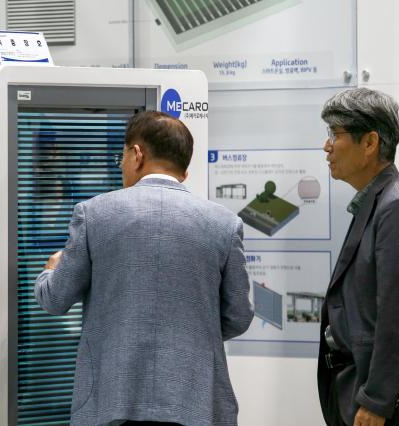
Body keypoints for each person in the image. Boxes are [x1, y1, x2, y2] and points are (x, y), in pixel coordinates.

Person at [35, 111, 253, 425]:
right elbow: (239, 316)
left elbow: (55, 300)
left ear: (137, 154)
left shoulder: (94, 214)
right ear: (184, 172)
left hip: (111, 404)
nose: (120, 165)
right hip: (194, 405)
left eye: (120, 157)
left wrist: (49, 271)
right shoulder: (223, 224)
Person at [318, 87, 399, 426]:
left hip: (383, 406)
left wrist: (377, 402)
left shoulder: (398, 206)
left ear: (369, 143)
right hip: (360, 389)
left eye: (335, 134)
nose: (327, 146)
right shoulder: (376, 201)